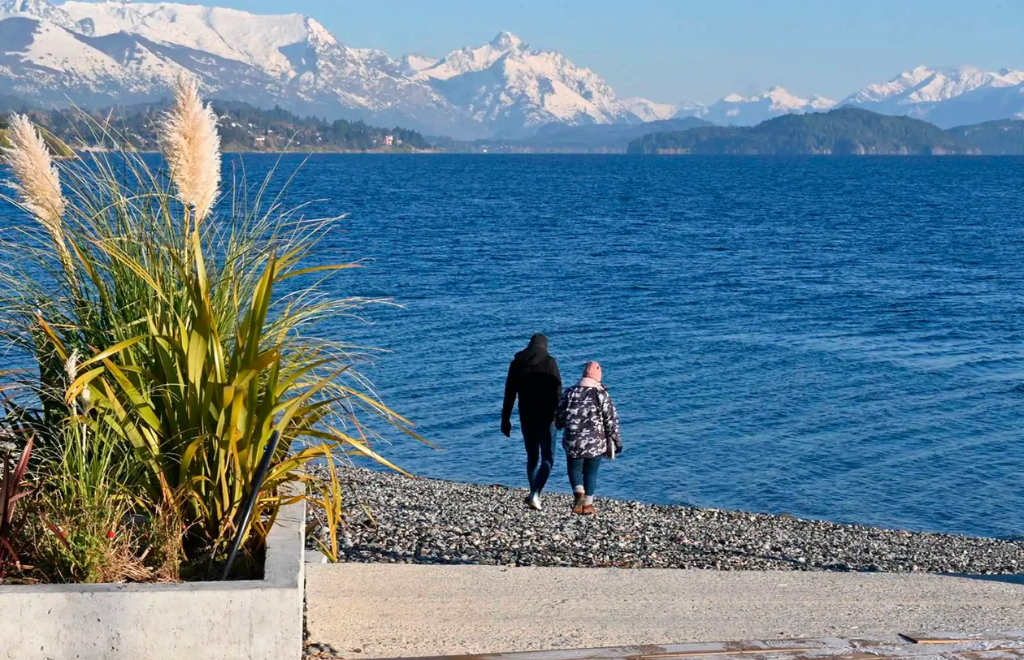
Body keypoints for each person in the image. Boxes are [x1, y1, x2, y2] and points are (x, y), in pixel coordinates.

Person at [501, 333, 563, 511]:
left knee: (532, 456)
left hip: (526, 416)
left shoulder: (516, 363)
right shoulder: (549, 362)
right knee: (548, 457)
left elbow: (509, 393)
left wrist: (505, 419)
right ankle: (535, 493)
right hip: (547, 416)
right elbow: (558, 390)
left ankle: (533, 493)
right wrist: (560, 415)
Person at [556, 361, 622, 515]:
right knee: (591, 473)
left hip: (573, 440)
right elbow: (611, 420)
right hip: (595, 442)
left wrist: (560, 425)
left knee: (574, 469)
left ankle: (579, 492)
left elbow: (559, 416)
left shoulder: (570, 392)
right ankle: (587, 505)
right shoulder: (601, 394)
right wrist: (616, 440)